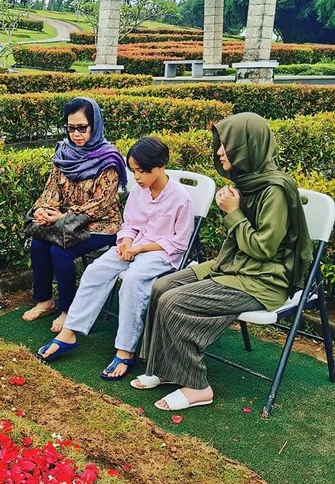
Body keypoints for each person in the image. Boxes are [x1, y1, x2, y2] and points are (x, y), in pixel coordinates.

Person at [132, 113, 312, 412]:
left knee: (175, 301)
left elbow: (263, 249)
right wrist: (233, 210)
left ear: (248, 146)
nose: (218, 152)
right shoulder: (248, 181)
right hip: (235, 266)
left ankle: (197, 386)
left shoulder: (275, 190)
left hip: (262, 280)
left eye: (226, 145)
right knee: (162, 286)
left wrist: (232, 212)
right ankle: (164, 367)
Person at [37, 137, 193, 380]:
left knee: (132, 281)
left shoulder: (180, 198)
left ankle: (126, 350)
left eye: (142, 171)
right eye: (133, 171)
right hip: (133, 247)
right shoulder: (139, 191)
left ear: (161, 166)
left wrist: (139, 249)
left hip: (162, 254)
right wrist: (127, 242)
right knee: (96, 270)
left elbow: (179, 243)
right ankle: (70, 332)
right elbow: (129, 224)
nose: (137, 177)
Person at [23, 97, 127, 333]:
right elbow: (52, 189)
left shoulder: (108, 158)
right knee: (39, 243)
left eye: (82, 127)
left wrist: (62, 217)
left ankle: (68, 309)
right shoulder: (64, 152)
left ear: (95, 125)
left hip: (101, 225)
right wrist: (44, 209)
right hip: (64, 222)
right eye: (71, 128)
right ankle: (44, 301)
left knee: (60, 250)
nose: (76, 134)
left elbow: (101, 203)